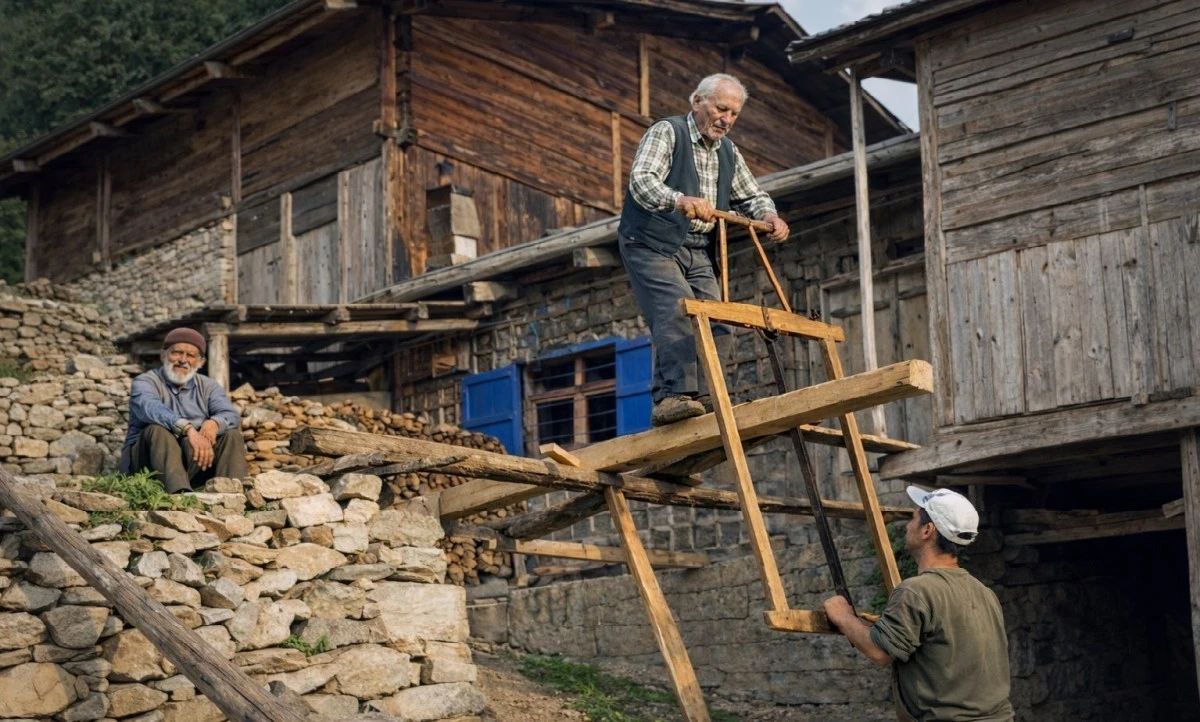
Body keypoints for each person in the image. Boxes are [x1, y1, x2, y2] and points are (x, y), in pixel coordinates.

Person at [618, 73, 789, 427]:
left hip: (698, 247)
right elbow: (642, 181)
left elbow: (752, 194)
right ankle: (671, 397)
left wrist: (769, 215)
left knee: (718, 322)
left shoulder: (728, 151)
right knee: (677, 311)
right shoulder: (668, 132)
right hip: (652, 242)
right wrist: (678, 200)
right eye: (722, 108)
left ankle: (707, 396)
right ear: (697, 102)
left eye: (734, 114)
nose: (727, 120)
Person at [823, 487, 1014, 721]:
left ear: (927, 530)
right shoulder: (984, 592)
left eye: (913, 518)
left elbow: (880, 652)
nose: (906, 526)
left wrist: (842, 616)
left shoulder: (917, 590)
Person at [120, 327, 247, 492]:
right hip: (148, 465)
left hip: (193, 461)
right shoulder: (145, 382)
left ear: (201, 362)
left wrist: (214, 423)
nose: (183, 360)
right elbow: (150, 407)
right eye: (177, 353)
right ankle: (179, 497)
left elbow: (230, 414)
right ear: (163, 355)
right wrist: (188, 429)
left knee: (231, 435)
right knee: (157, 430)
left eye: (191, 355)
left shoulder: (208, 386)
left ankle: (230, 495)